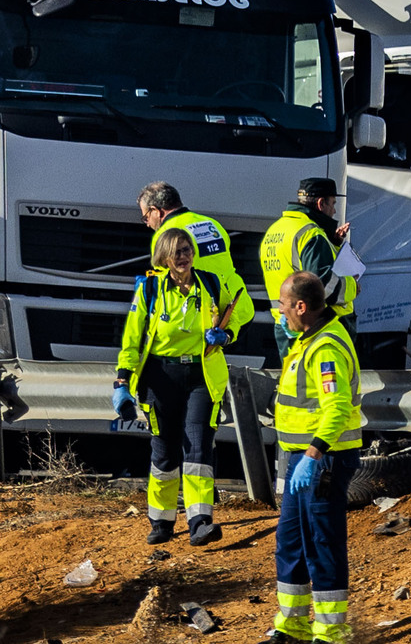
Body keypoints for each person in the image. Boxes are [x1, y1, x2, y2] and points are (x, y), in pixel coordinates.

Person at [112, 228, 252, 546]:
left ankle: (200, 521)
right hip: (160, 378)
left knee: (199, 447)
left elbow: (237, 316)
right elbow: (132, 341)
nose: (184, 255)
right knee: (164, 453)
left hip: (201, 375)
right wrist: (121, 382)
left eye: (187, 249)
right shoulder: (150, 289)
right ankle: (161, 522)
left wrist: (226, 336)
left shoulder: (210, 284)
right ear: (164, 256)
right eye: (176, 251)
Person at [260, 271, 362, 644]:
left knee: (322, 543)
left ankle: (332, 631)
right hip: (301, 460)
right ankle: (292, 625)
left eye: (284, 306)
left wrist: (314, 454)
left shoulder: (325, 349)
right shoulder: (308, 339)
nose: (281, 313)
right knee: (290, 542)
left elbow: (336, 407)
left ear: (301, 306)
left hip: (322, 461)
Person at [259, 178, 358, 360]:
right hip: (315, 328)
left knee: (294, 384)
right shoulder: (311, 234)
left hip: (286, 327)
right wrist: (352, 286)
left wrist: (333, 244)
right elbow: (323, 286)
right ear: (321, 203)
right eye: (333, 204)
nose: (334, 211)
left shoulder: (275, 231)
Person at [137, 181, 247, 302]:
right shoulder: (212, 223)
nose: (147, 225)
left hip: (206, 311)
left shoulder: (164, 234)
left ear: (156, 211)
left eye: (146, 218)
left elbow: (167, 284)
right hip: (239, 304)